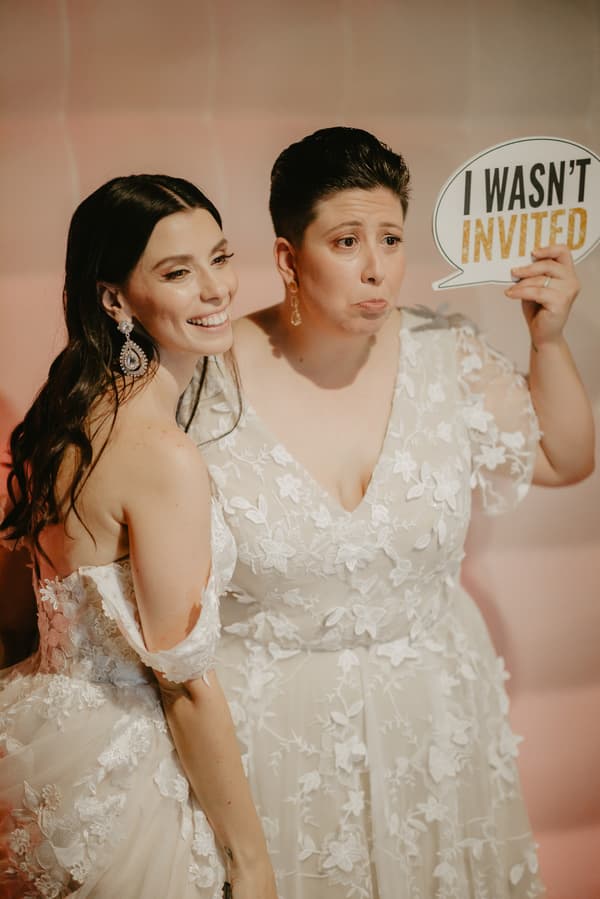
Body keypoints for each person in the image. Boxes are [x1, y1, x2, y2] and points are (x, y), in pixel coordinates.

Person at [185, 127, 595, 898]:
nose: (378, 267)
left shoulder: (446, 353)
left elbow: (565, 458)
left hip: (433, 717)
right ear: (287, 258)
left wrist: (549, 338)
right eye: (347, 241)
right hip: (274, 736)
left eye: (392, 239)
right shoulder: (206, 374)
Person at [0, 174, 277, 899]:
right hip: (130, 765)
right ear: (115, 299)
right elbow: (183, 682)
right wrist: (252, 866)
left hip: (53, 737)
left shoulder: (67, 416)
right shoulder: (161, 451)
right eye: (178, 272)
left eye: (220, 257)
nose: (216, 288)